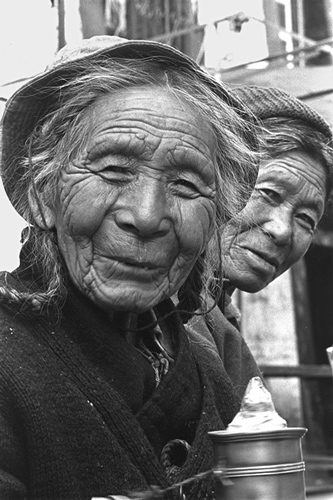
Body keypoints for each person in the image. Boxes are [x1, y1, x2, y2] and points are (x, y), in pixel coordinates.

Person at [0, 36, 262, 500]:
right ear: (42, 195)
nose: (146, 215)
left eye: (185, 183)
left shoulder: (211, 364)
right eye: (114, 169)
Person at [219, 85, 333, 327]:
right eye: (269, 193)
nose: (282, 231)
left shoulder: (218, 322)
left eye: (306, 219)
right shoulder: (141, 314)